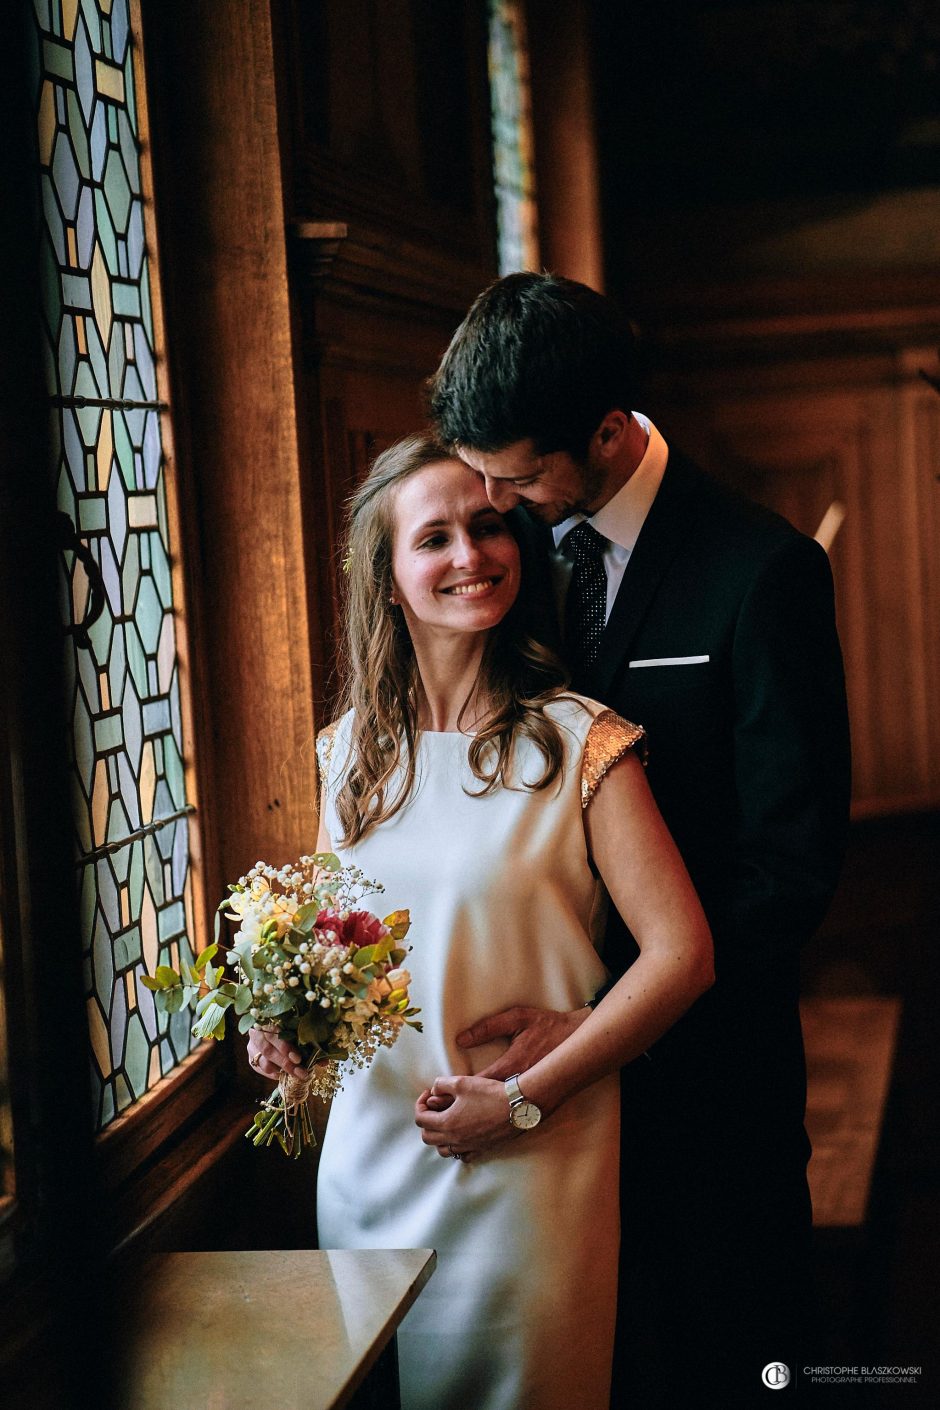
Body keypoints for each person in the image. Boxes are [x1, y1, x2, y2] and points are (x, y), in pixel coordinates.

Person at [424, 272, 852, 1408]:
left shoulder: (759, 573)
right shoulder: (507, 561)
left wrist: (610, 1018)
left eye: (512, 472)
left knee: (738, 1364)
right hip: (531, 1100)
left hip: (708, 1081)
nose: (489, 499)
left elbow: (791, 867)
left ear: (607, 433)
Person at [248, 432, 713, 1410]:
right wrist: (289, 1029)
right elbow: (349, 963)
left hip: (532, 1165)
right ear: (388, 578)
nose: (470, 554)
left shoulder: (580, 743)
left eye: (489, 525)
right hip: (371, 1162)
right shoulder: (345, 760)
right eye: (436, 537)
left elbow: (681, 956)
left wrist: (527, 1098)